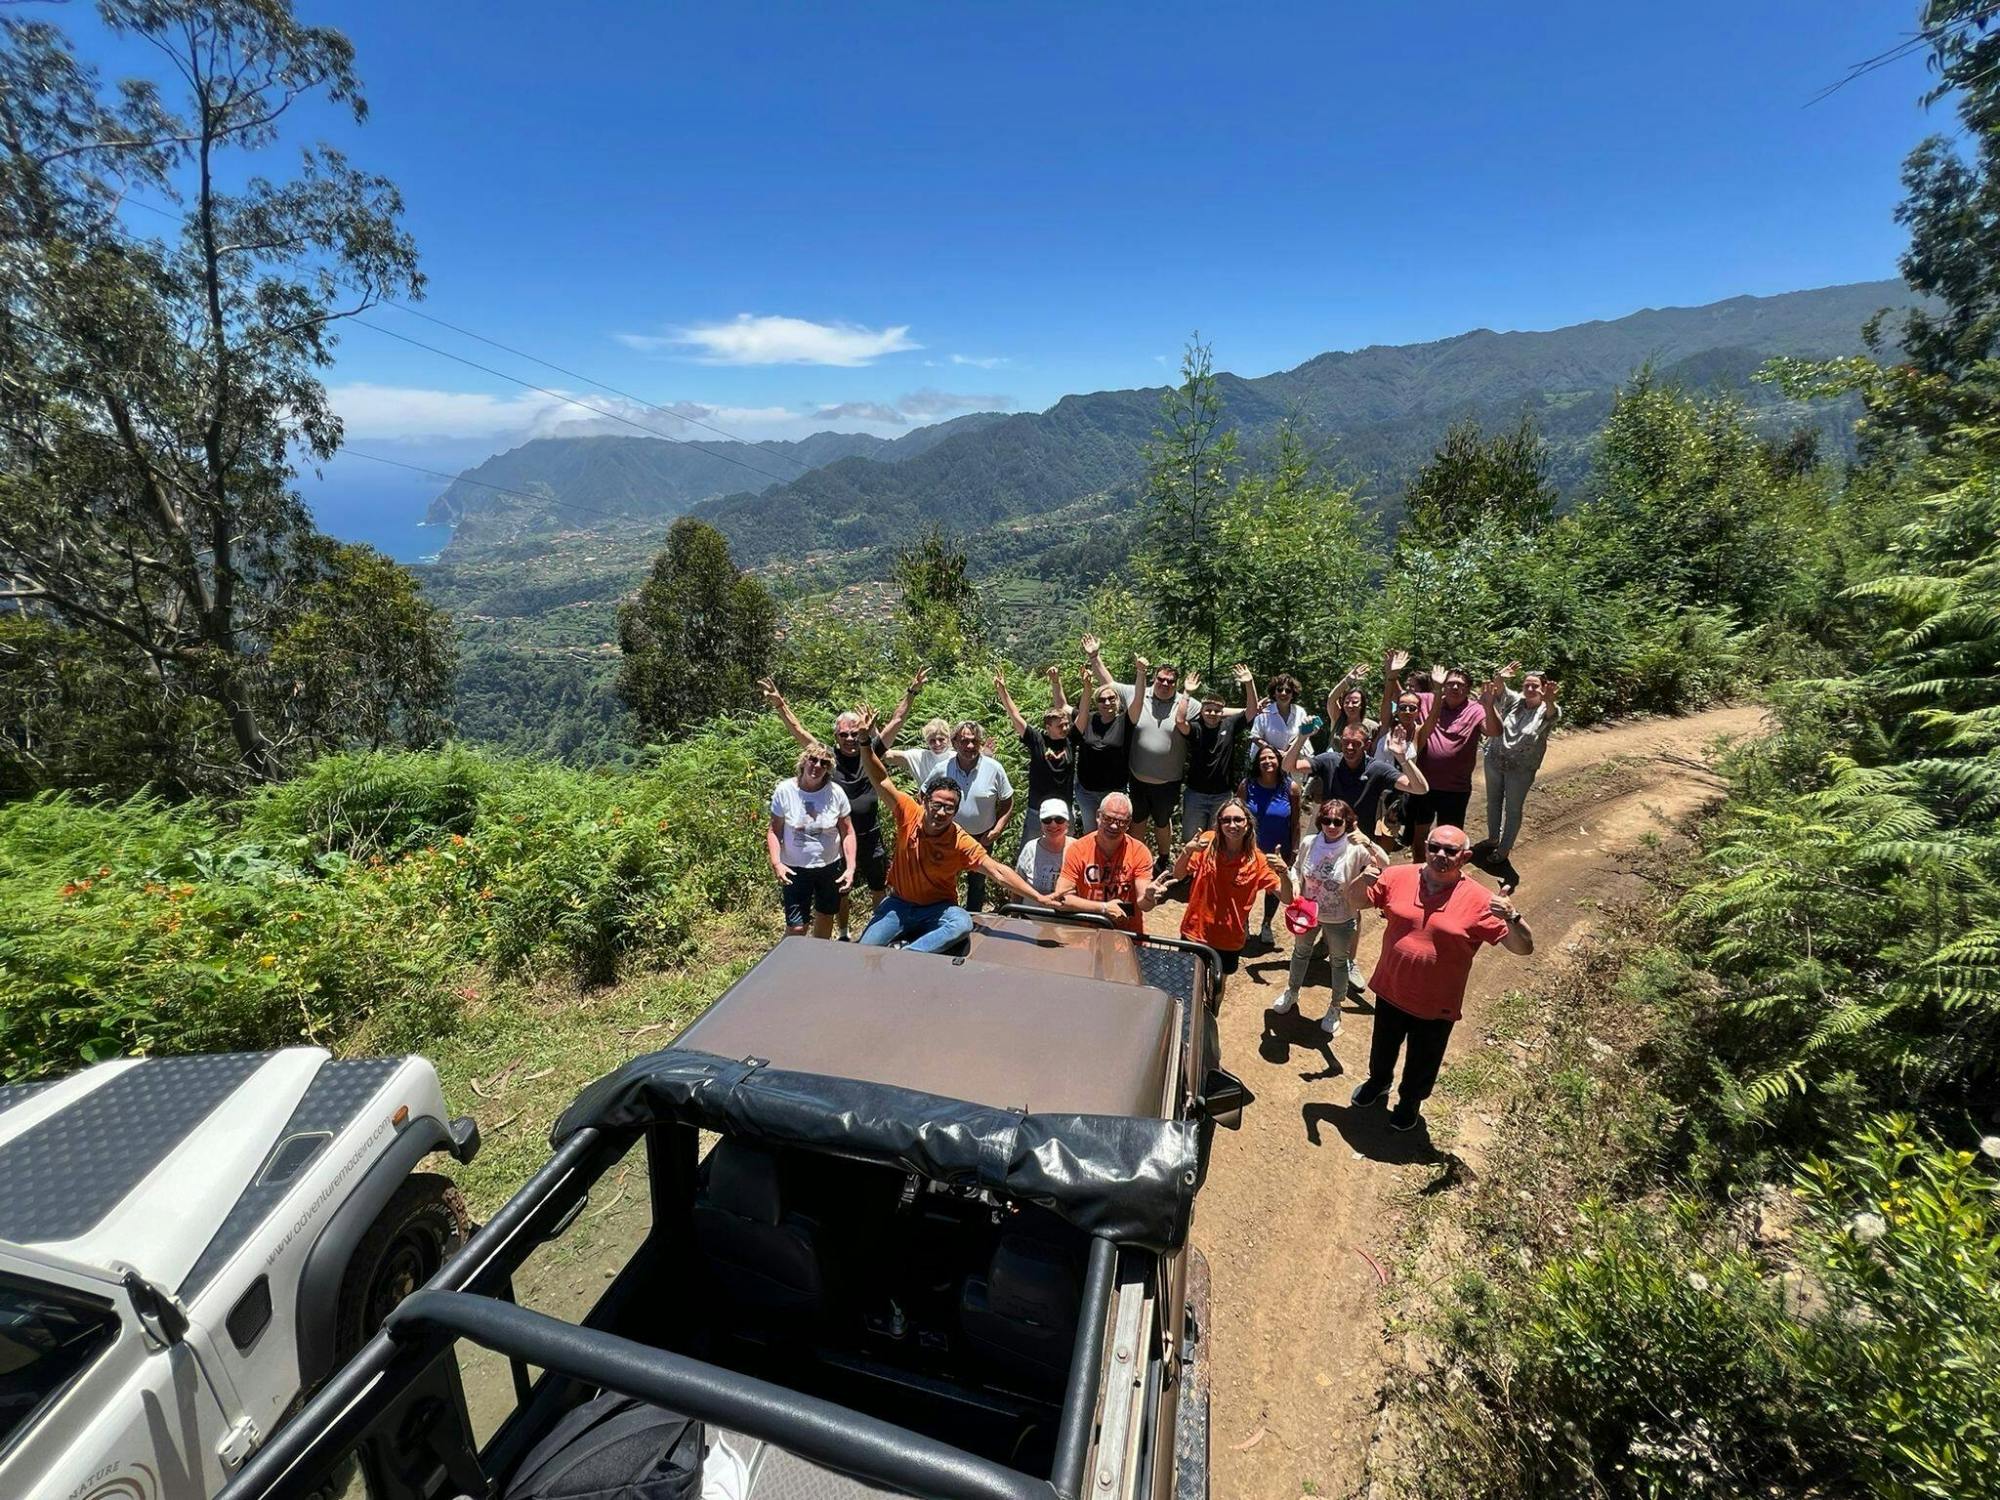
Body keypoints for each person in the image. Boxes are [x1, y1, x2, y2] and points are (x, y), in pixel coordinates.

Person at [1351, 824, 1534, 1131]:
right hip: (1391, 986)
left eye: (1450, 851)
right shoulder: (1398, 876)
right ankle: (1378, 1082)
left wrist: (1512, 916)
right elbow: (1357, 901)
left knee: (1424, 1058)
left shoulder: (1480, 899)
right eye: (1434, 847)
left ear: (1465, 857)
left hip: (1437, 1002)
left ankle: (1410, 1101)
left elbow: (1522, 948)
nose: (1440, 855)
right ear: (1425, 846)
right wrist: (1360, 881)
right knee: (1382, 1045)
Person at [853, 713, 1042, 952]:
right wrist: (863, 742)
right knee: (864, 949)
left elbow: (998, 871)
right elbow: (880, 779)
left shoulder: (959, 839)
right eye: (937, 805)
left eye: (949, 808)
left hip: (938, 908)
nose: (941, 813)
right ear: (925, 801)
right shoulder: (909, 813)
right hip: (898, 904)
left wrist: (1040, 898)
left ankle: (910, 954)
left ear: (955, 811)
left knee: (961, 924)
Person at [761, 671, 926, 940]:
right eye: (844, 735)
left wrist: (912, 691)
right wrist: (781, 705)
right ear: (836, 736)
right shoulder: (826, 758)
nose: (850, 739)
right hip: (836, 839)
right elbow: (799, 731)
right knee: (841, 892)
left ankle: (879, 934)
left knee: (878, 887)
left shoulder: (869, 751)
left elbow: (897, 721)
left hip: (869, 836)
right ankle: (845, 933)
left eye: (854, 734)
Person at [1275, 798, 1388, 1032]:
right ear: (1320, 821)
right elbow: (1296, 868)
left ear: (1348, 823)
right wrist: (1295, 884)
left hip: (1341, 918)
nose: (1332, 825)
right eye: (1326, 820)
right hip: (1308, 913)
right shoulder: (1310, 842)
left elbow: (1384, 864)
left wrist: (1368, 843)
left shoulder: (1355, 847)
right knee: (1300, 953)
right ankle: (1292, 992)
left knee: (1338, 963)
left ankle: (1336, 1006)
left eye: (1338, 821)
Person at [1171, 797, 1294, 977]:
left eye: (1238, 819)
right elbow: (1178, 875)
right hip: (1195, 931)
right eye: (1226, 820)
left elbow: (1287, 898)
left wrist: (1284, 872)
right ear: (1219, 823)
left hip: (1229, 939)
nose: (1232, 825)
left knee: (1218, 985)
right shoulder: (1205, 842)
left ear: (1248, 824)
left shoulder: (1258, 861)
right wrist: (1187, 851)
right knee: (1188, 982)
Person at [1391, 659, 1490, 864]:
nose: (1455, 687)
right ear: (1443, 685)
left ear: (1468, 689)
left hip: (1456, 788)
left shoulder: (1476, 710)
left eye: (1460, 684)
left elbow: (1493, 731)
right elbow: (1402, 700)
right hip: (1424, 787)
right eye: (1451, 683)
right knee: (1419, 838)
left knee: (1450, 841)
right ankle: (1419, 874)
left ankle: (1448, 877)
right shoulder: (1427, 699)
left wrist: (1489, 705)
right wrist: (1392, 675)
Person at [766, 743, 857, 939]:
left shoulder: (836, 793)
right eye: (813, 760)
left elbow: (848, 831)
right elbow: (774, 830)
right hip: (795, 868)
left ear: (829, 768)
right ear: (803, 761)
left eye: (824, 763)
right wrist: (777, 863)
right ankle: (786, 962)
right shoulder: (785, 790)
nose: (817, 766)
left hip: (829, 866)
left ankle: (817, 960)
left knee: (825, 916)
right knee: (797, 927)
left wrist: (850, 868)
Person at [1483, 663, 1562, 858]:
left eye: (1535, 686)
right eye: (1527, 685)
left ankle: (1503, 849)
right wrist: (1500, 677)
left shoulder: (1547, 710)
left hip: (1521, 769)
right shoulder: (1515, 701)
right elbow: (1499, 689)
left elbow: (1552, 712)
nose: (1530, 689)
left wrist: (1551, 701)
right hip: (1494, 759)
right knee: (1493, 802)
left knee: (1512, 808)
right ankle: (1493, 837)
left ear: (1543, 689)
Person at [1052, 790, 1159, 934]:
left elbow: (1143, 904)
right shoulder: (1078, 849)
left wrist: (1149, 897)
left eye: (1121, 822)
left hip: (1127, 935)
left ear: (1128, 823)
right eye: (1108, 819)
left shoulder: (1139, 852)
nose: (1114, 826)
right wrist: (1104, 908)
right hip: (1086, 934)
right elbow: (1061, 899)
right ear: (1098, 816)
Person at [1121, 653, 1193, 863]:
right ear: (1154, 678)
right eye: (1161, 679)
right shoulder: (1139, 694)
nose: (1165, 683)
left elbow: (1215, 712)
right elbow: (1108, 684)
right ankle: (1137, 860)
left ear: (1176, 684)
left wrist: (1248, 711)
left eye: (1170, 681)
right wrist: (1094, 657)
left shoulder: (1185, 702)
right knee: (1137, 821)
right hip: (1137, 777)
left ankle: (1163, 859)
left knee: (1163, 821)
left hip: (1168, 782)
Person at [939, 720, 1015, 912]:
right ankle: (946, 915)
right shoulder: (942, 768)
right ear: (954, 742)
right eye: (964, 741)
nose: (970, 746)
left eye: (974, 741)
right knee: (945, 878)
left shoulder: (994, 768)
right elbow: (924, 795)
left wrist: (997, 829)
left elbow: (1007, 801)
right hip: (949, 836)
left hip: (982, 837)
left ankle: (973, 918)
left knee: (978, 882)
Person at [996, 667, 1075, 851]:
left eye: (1066, 724)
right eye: (1060, 726)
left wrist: (1056, 682)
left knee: (1066, 855)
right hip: (1037, 810)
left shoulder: (1071, 741)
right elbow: (1015, 716)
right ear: (1048, 727)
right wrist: (1002, 690)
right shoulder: (1037, 739)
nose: (1065, 728)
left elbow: (1070, 707)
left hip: (1064, 810)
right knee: (1029, 851)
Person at [1307, 727, 1428, 843]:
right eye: (1346, 742)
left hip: (1360, 843)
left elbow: (1420, 788)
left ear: (1367, 745)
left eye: (1356, 743)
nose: (1349, 747)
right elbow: (1290, 766)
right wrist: (1302, 737)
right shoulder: (1329, 761)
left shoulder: (1377, 769)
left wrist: (1402, 758)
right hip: (1328, 839)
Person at [1176, 663, 1256, 835]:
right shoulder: (1196, 728)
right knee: (1192, 838)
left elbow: (1251, 711)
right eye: (1208, 710)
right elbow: (1180, 722)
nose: (1212, 714)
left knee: (1220, 839)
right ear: (1202, 711)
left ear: (1223, 712)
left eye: (1217, 711)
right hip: (1195, 794)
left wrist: (1249, 683)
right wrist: (1187, 693)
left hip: (1222, 795)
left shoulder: (1230, 724)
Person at [1239, 742, 1300, 946]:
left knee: (1273, 887)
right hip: (1249, 848)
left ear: (1279, 761)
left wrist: (1294, 849)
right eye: (1263, 758)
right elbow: (1237, 816)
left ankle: (1266, 924)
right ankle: (1244, 923)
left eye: (1271, 757)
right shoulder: (1247, 786)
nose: (1267, 761)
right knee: (1245, 886)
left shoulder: (1290, 788)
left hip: (1278, 848)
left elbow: (1295, 822)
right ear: (1257, 762)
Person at [1073, 639, 1131, 835]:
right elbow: (1062, 706)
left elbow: (1112, 685)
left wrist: (1095, 657)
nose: (1107, 702)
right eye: (1102, 699)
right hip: (1086, 791)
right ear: (1096, 703)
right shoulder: (1086, 719)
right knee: (1091, 834)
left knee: (1114, 834)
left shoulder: (1126, 721)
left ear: (1118, 701)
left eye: (1111, 698)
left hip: (1115, 790)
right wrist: (1056, 683)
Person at [1015, 798, 1072, 896]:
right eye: (1047, 820)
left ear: (1067, 823)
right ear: (1041, 823)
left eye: (1059, 820)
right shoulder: (1030, 849)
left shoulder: (1078, 848)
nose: (1053, 825)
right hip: (1031, 909)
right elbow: (1017, 886)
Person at [888, 716, 954, 786]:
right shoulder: (920, 757)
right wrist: (875, 731)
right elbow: (888, 755)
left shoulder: (957, 758)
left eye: (941, 739)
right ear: (927, 741)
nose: (937, 744)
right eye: (932, 740)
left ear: (948, 738)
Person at [1324, 663, 1378, 743]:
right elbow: (1331, 699)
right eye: (1347, 702)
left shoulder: (1372, 726)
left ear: (1362, 704)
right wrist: (1347, 680)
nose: (1350, 705)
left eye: (1355, 702)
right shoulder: (1338, 719)